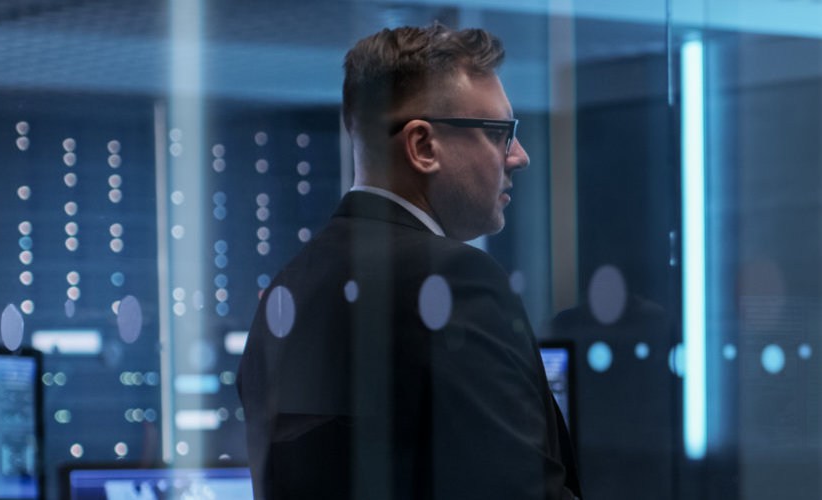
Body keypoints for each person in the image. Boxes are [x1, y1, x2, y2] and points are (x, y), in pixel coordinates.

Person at [237, 25, 580, 500]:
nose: (518, 157)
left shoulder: (286, 291)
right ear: (422, 146)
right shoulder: (454, 281)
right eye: (501, 133)